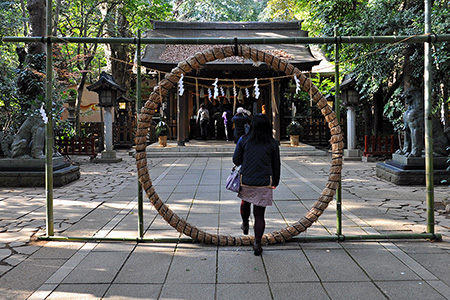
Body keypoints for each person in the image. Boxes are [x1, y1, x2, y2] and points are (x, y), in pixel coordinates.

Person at [232, 114, 281, 256]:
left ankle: (245, 222)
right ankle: (257, 243)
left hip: (247, 179)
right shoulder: (272, 143)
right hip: (264, 181)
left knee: (245, 202)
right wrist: (275, 181)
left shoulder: (244, 140)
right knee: (259, 215)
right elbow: (276, 165)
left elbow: (236, 160)